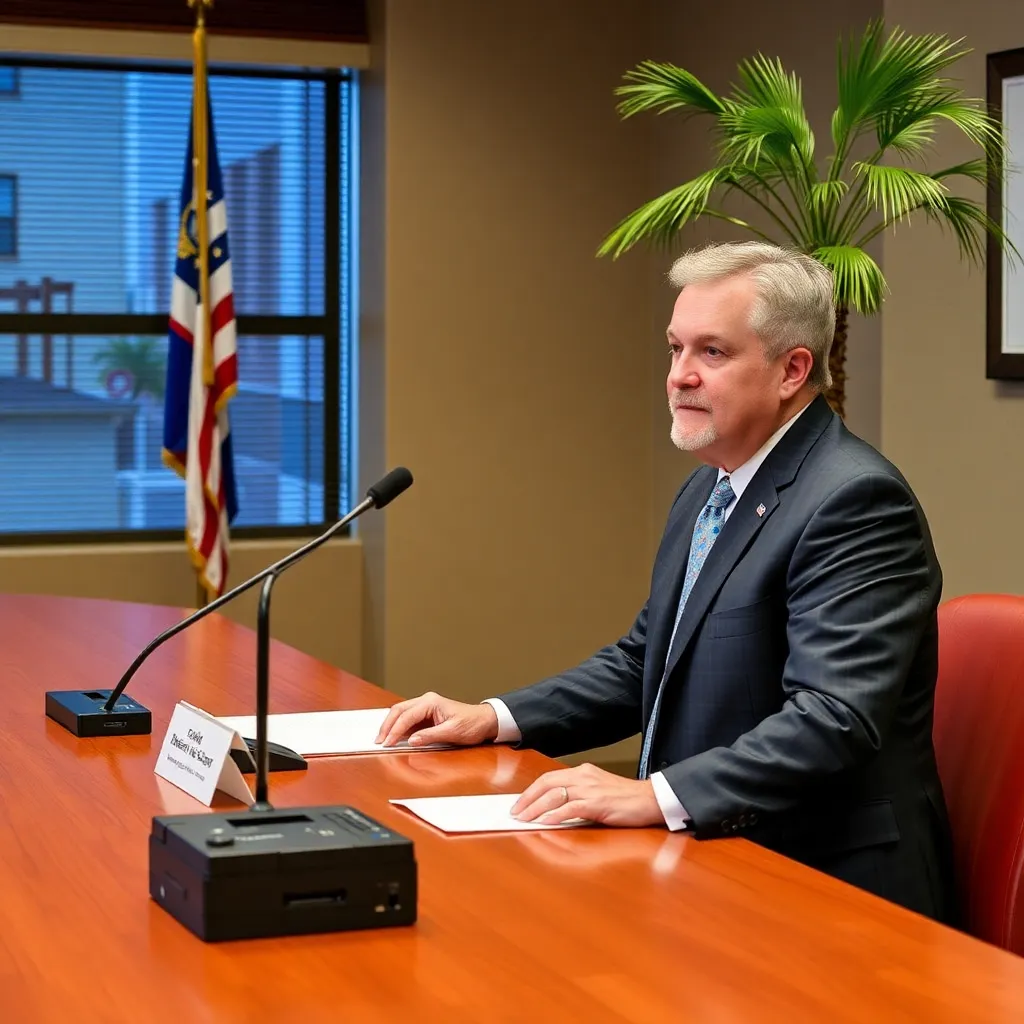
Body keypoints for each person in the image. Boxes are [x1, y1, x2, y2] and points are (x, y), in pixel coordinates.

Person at [376, 241, 955, 922]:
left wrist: (654, 794)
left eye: (713, 352)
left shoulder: (855, 501)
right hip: (711, 858)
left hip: (826, 884)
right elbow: (644, 662)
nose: (680, 376)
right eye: (676, 349)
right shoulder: (709, 488)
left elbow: (833, 718)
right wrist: (495, 717)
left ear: (793, 370)